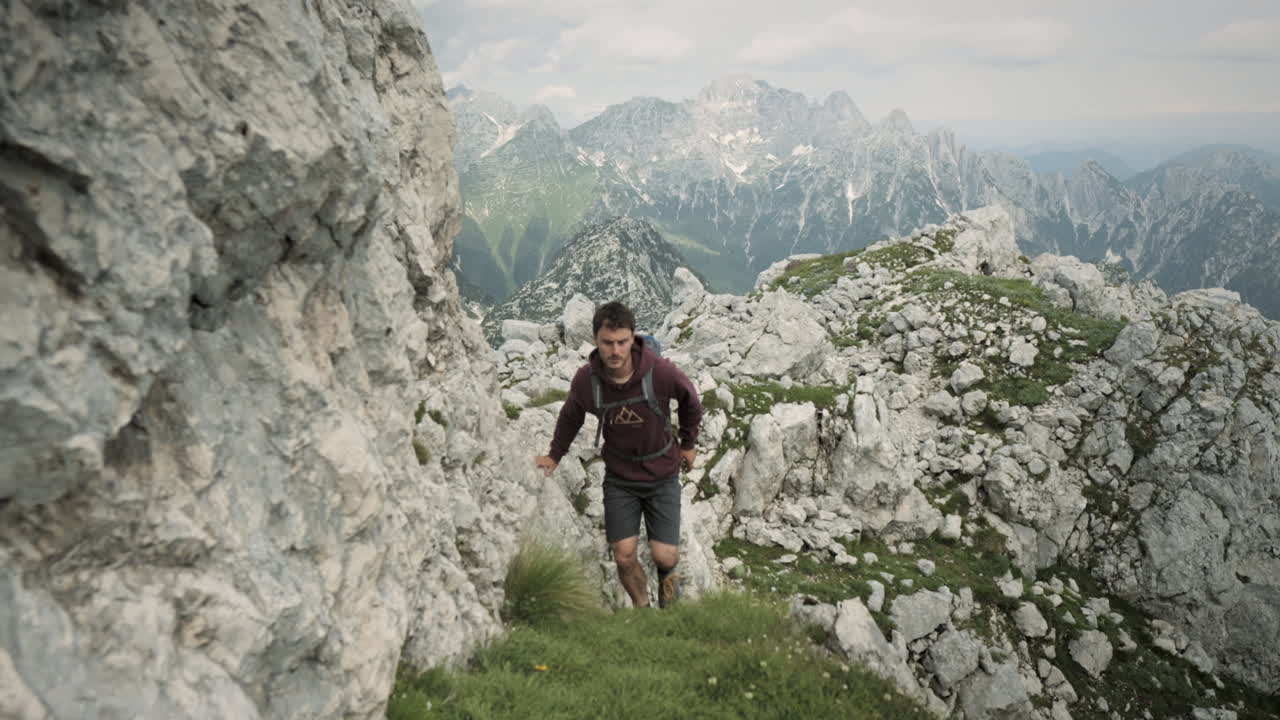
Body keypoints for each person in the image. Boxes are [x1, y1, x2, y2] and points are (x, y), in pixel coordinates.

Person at [534, 301, 704, 609]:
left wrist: (689, 443)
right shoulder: (588, 381)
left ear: (633, 338)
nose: (615, 350)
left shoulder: (659, 372)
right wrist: (554, 456)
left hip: (662, 473)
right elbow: (571, 416)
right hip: (620, 478)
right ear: (595, 340)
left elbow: (690, 400)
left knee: (664, 554)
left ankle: (672, 613)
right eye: (607, 343)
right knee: (624, 555)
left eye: (622, 342)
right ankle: (643, 611)